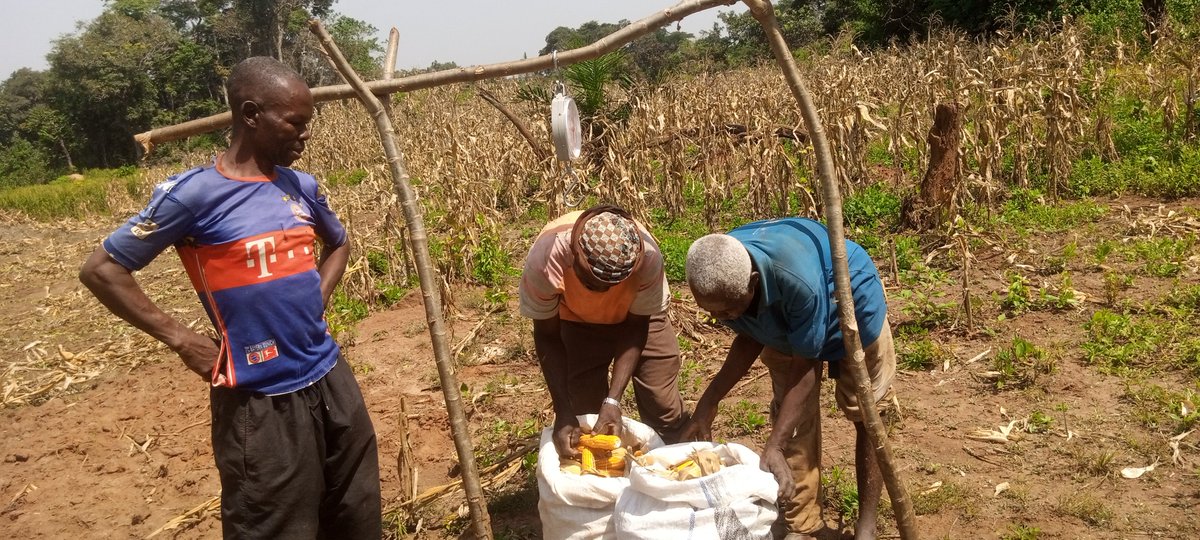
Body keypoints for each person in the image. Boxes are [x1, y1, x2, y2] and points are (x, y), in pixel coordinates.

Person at [78, 57, 381, 539]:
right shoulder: (194, 195)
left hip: (331, 378)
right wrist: (182, 340)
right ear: (251, 114)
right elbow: (102, 270)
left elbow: (339, 243)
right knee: (276, 523)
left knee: (354, 513)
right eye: (294, 123)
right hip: (258, 399)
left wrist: (313, 301)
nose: (304, 136)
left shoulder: (299, 187)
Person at [681, 217, 896, 540]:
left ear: (753, 282)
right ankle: (803, 525)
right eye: (713, 313)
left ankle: (866, 528)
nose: (719, 320)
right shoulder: (724, 267)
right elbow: (748, 335)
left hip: (851, 309)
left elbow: (807, 366)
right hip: (784, 326)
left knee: (867, 413)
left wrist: (774, 443)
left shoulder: (797, 280)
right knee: (790, 418)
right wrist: (708, 403)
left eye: (726, 312)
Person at [519, 204, 689, 459]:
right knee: (584, 410)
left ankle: (677, 462)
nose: (599, 293)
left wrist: (613, 401)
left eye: (610, 285)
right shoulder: (547, 259)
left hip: (638, 317)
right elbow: (547, 335)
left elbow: (636, 327)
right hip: (576, 319)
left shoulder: (648, 260)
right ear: (574, 254)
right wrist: (562, 410)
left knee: (661, 403)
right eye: (589, 282)